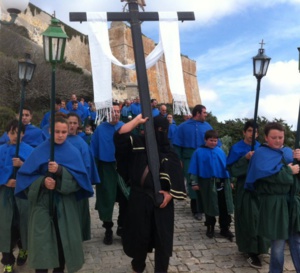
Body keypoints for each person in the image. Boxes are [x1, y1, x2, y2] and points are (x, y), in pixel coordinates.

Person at [15, 115, 94, 273]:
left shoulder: (73, 152)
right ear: (50, 131)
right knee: (41, 243)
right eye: (57, 131)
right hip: (42, 203)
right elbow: (25, 178)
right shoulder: (40, 150)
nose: (60, 135)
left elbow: (80, 181)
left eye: (63, 132)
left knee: (62, 243)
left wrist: (59, 172)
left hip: (65, 205)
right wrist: (43, 182)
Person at [114, 114, 186, 273]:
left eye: (163, 130)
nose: (160, 132)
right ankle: (138, 265)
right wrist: (137, 121)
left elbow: (177, 178)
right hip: (139, 198)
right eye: (157, 129)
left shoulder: (170, 153)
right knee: (140, 235)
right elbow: (119, 136)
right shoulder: (137, 144)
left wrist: (170, 194)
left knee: (163, 239)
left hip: (162, 202)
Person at [245, 122, 300, 273]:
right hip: (274, 203)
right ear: (266, 137)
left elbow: (297, 176)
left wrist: (299, 161)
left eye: (281, 137)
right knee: (278, 244)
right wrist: (289, 171)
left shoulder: (289, 152)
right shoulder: (261, 154)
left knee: (296, 240)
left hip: (292, 202)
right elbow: (268, 177)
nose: (277, 140)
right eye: (274, 137)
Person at [227, 120, 269, 268]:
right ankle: (250, 251)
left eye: (256, 131)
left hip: (260, 189)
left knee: (261, 218)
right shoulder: (237, 148)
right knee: (248, 219)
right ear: (244, 132)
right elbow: (232, 169)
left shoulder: (262, 148)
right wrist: (245, 159)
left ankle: (260, 247)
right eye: (250, 130)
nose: (253, 134)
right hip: (245, 188)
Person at [90, 102, 127, 245]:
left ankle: (122, 226)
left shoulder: (124, 127)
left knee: (125, 198)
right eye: (113, 111)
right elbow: (94, 151)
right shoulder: (100, 129)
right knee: (107, 198)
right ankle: (108, 229)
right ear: (107, 113)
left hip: (122, 168)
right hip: (106, 168)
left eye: (118, 111)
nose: (116, 114)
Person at [188, 130, 234, 241]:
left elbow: (226, 166)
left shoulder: (220, 151)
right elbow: (194, 168)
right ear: (205, 140)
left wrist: (230, 180)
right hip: (207, 183)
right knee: (209, 205)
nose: (213, 143)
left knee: (224, 206)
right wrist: (194, 182)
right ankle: (210, 226)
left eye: (215, 140)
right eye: (211, 140)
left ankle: (224, 228)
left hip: (222, 182)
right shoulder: (198, 152)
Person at [0, 120, 33, 273]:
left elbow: (36, 171)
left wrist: (22, 165)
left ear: (23, 134)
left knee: (22, 224)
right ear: (7, 133)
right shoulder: (1, 150)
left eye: (17, 132)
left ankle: (24, 249)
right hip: (6, 196)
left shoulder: (29, 151)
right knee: (6, 227)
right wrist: (5, 182)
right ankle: (7, 261)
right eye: (11, 133)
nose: (14, 136)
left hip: (23, 195)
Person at [173, 104, 215, 221]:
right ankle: (196, 209)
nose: (206, 115)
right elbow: (176, 146)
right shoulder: (182, 127)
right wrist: (179, 160)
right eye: (204, 113)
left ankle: (205, 207)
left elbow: (215, 143)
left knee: (205, 181)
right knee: (193, 183)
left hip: (204, 158)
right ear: (198, 113)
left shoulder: (207, 126)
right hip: (189, 158)